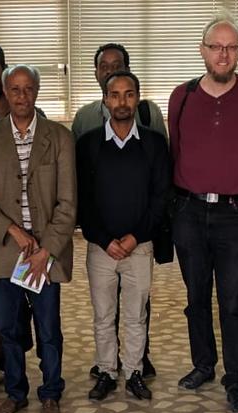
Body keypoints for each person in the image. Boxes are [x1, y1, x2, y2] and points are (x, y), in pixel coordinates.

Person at [169, 14, 238, 413]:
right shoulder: (182, 95)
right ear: (203, 51)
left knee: (233, 301)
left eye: (231, 47)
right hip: (190, 212)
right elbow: (175, 148)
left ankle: (236, 378)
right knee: (196, 298)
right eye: (216, 46)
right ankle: (203, 365)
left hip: (234, 214)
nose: (223, 54)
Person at [0, 64, 75, 413]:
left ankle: (50, 393)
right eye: (14, 89)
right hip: (6, 252)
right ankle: (16, 393)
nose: (21, 96)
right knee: (9, 330)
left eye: (28, 89)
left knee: (48, 330)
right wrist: (13, 231)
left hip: (46, 254)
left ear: (37, 91)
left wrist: (46, 251)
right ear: (5, 91)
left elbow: (68, 203)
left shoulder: (59, 138)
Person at [72, 42, 165, 383]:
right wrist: (103, 238)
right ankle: (107, 372)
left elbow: (159, 196)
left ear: (137, 98)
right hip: (101, 247)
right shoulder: (87, 141)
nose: (121, 101)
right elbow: (81, 196)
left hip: (139, 246)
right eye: (115, 95)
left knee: (135, 316)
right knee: (103, 314)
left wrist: (135, 237)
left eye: (129, 95)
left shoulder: (154, 142)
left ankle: (135, 370)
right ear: (106, 99)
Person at [70, 43, 167, 140]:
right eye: (104, 67)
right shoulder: (83, 117)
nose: (110, 71)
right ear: (96, 74)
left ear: (127, 70)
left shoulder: (149, 112)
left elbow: (162, 149)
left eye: (117, 66)